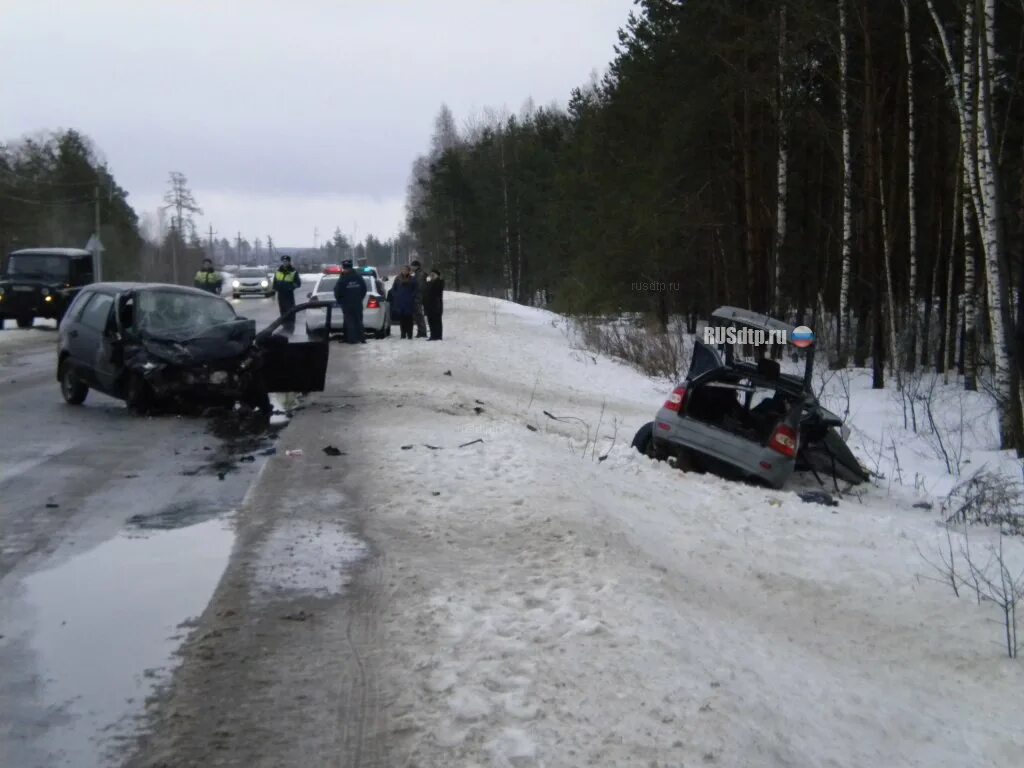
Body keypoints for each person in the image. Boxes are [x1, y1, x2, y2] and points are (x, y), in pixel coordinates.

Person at [333, 260, 368, 344]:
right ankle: (361, 338)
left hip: (347, 303)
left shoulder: (343, 278)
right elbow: (364, 289)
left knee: (350, 321)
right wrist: (359, 298)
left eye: (345, 268)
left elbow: (337, 291)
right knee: (358, 320)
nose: (345, 270)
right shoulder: (358, 277)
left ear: (344, 268)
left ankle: (352, 339)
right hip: (357, 303)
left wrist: (340, 301)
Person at [272, 255, 302, 331]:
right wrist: (274, 292)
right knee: (282, 309)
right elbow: (274, 283)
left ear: (289, 262)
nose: (285, 263)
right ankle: (284, 324)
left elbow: (298, 283)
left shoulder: (293, 271)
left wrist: (290, 287)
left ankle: (291, 324)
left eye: (286, 261)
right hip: (280, 294)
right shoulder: (278, 271)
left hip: (289, 294)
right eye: (283, 261)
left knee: (290, 309)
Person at [391, 265, 418, 339]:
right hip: (400, 302)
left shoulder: (412, 279)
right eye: (403, 270)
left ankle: (410, 334)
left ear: (409, 271)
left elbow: (415, 289)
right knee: (402, 319)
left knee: (409, 319)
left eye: (406, 270)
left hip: (409, 302)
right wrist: (396, 296)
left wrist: (412, 297)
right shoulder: (398, 278)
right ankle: (403, 334)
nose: (404, 271)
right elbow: (393, 289)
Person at [423, 268, 445, 340]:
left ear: (437, 275)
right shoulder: (429, 283)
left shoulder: (439, 282)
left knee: (437, 321)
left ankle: (438, 336)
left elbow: (437, 292)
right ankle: (433, 335)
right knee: (431, 321)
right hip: (429, 305)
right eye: (431, 274)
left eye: (433, 275)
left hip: (436, 305)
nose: (432, 276)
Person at [410, 259, 428, 338]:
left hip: (418, 297)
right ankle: (421, 331)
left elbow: (420, 287)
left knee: (419, 315)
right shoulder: (418, 274)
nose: (411, 267)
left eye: (412, 266)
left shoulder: (420, 274)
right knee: (417, 315)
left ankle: (422, 332)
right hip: (418, 296)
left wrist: (415, 294)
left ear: (416, 266)